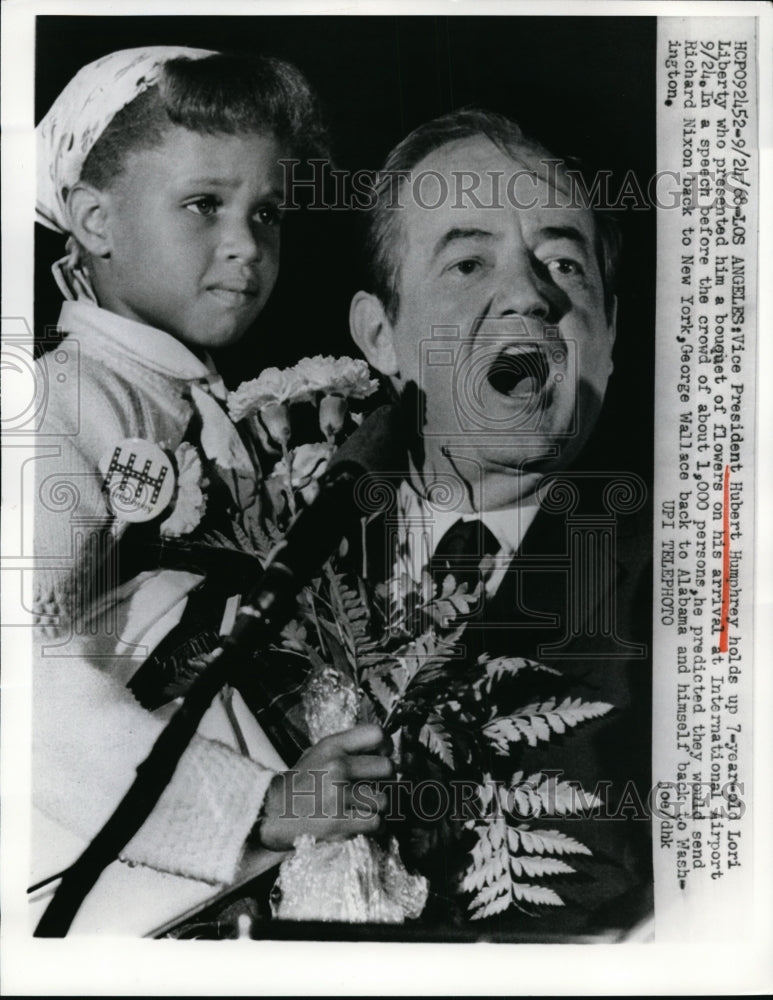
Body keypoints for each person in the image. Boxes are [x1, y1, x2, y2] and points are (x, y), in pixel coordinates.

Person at [31, 47, 391, 932]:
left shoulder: (201, 403)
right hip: (123, 903)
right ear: (94, 219)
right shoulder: (57, 406)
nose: (247, 245)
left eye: (265, 212)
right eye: (203, 205)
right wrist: (255, 805)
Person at [349, 109, 653, 937]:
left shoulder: (696, 588)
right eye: (468, 262)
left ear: (609, 337)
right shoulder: (277, 546)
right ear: (381, 335)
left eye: (564, 263)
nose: (529, 295)